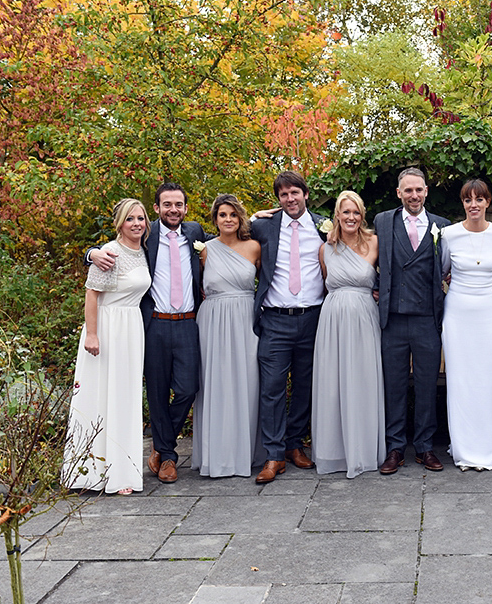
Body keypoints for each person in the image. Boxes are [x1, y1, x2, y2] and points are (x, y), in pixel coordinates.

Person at [87, 183, 206, 484]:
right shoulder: (146, 235)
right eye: (167, 204)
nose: (173, 209)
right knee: (156, 392)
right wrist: (91, 253)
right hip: (152, 325)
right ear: (157, 208)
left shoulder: (195, 233)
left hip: (187, 323)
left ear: (186, 208)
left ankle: (160, 441)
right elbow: (112, 250)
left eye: (178, 204)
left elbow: (231, 237)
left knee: (188, 388)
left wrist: (260, 218)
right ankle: (167, 456)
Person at [64, 199, 151, 495]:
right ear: (120, 224)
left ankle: (121, 469)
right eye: (130, 219)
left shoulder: (143, 251)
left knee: (124, 398)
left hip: (131, 327)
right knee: (100, 395)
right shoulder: (110, 253)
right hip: (107, 327)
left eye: (141, 218)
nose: (137, 223)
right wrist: (92, 334)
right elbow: (91, 294)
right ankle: (93, 473)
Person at [252, 170, 327, 484]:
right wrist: (252, 216)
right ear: (278, 199)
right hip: (275, 319)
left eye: (294, 192)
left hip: (313, 318)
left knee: (304, 387)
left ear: (305, 194)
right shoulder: (263, 226)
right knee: (271, 388)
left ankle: (295, 445)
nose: (289, 199)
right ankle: (273, 454)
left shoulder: (325, 226)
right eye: (283, 194)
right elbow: (225, 237)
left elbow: (356, 245)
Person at [374, 168, 450, 475]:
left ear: (426, 191)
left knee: (426, 385)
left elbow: (449, 267)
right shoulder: (382, 221)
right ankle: (395, 447)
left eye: (418, 190)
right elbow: (360, 253)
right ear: (398, 193)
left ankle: (424, 446)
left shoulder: (441, 227)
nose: (414, 195)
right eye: (408, 191)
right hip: (392, 319)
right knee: (393, 386)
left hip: (427, 319)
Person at [311, 191, 386, 478]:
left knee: (363, 379)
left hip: (365, 317)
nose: (351, 217)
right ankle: (334, 453)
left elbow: (386, 279)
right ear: (337, 216)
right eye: (345, 212)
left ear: (362, 214)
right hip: (333, 320)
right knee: (332, 383)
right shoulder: (325, 248)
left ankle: (364, 449)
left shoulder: (375, 242)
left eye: (355, 212)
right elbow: (324, 284)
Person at [191, 194, 267, 478]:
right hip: (212, 321)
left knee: (247, 383)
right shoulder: (204, 250)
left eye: (233, 215)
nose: (228, 220)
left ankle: (246, 453)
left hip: (245, 318)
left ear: (240, 218)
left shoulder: (254, 248)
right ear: (215, 219)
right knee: (215, 383)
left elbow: (267, 282)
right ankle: (217, 455)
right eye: (222, 215)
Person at [441, 179, 492, 470]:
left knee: (485, 380)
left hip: (487, 315)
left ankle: (489, 446)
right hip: (457, 314)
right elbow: (442, 270)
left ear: (487, 202)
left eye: (479, 200)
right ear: (463, 203)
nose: (474, 205)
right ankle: (463, 447)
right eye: (468, 200)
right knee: (459, 382)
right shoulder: (448, 234)